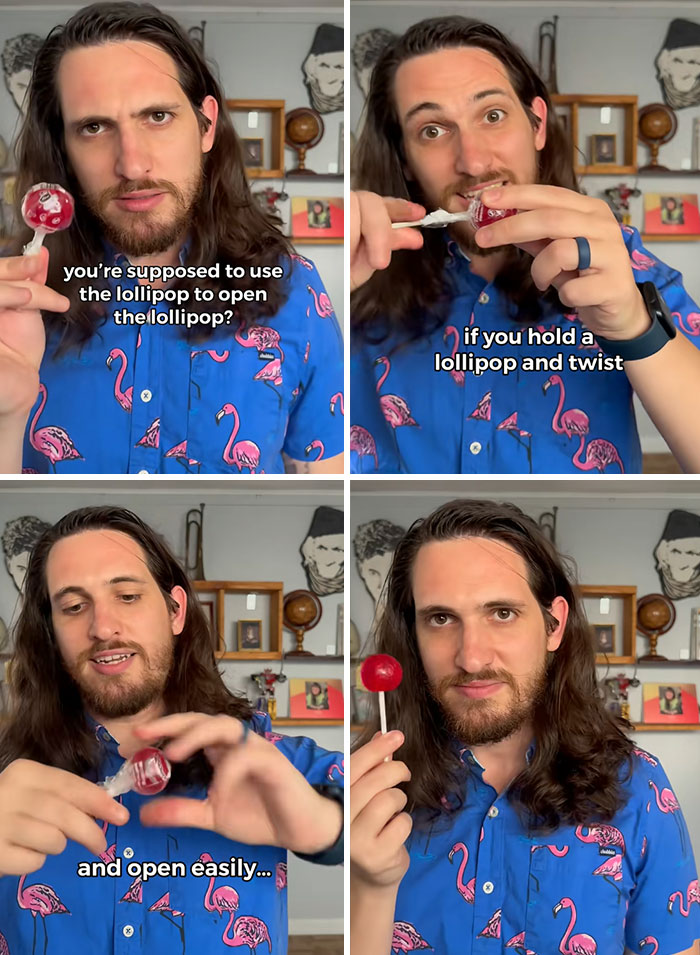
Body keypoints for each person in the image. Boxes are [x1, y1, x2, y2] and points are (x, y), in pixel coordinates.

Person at [0, 1, 343, 475]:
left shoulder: (294, 291)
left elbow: (324, 477)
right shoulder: (12, 303)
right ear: (63, 146)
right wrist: (8, 418)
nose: (132, 164)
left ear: (205, 125)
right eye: (94, 127)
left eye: (157, 116)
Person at [350, 16, 700, 475]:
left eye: (493, 115)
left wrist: (637, 327)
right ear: (406, 161)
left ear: (536, 125)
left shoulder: (618, 260)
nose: (473, 161)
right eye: (432, 130)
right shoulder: (364, 276)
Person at [350, 499, 700, 955]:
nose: (471, 658)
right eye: (440, 618)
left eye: (501, 613)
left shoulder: (638, 787)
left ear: (553, 624)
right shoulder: (374, 789)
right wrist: (370, 888)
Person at [0, 506, 343, 953]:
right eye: (73, 606)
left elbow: (396, 809)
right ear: (51, 632)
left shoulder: (261, 756)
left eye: (127, 596)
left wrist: (324, 824)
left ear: (176, 611)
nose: (103, 628)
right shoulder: (9, 774)